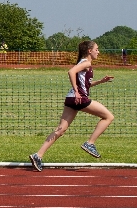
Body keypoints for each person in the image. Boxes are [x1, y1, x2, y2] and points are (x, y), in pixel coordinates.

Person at [29, 40, 114, 172]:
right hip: (78, 98)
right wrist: (76, 90)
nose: (99, 51)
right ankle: (90, 143)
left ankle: (38, 155)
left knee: (61, 129)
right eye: (97, 49)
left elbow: (85, 84)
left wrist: (101, 81)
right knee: (108, 117)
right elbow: (71, 72)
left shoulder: (83, 63)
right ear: (89, 51)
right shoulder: (86, 63)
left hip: (71, 99)